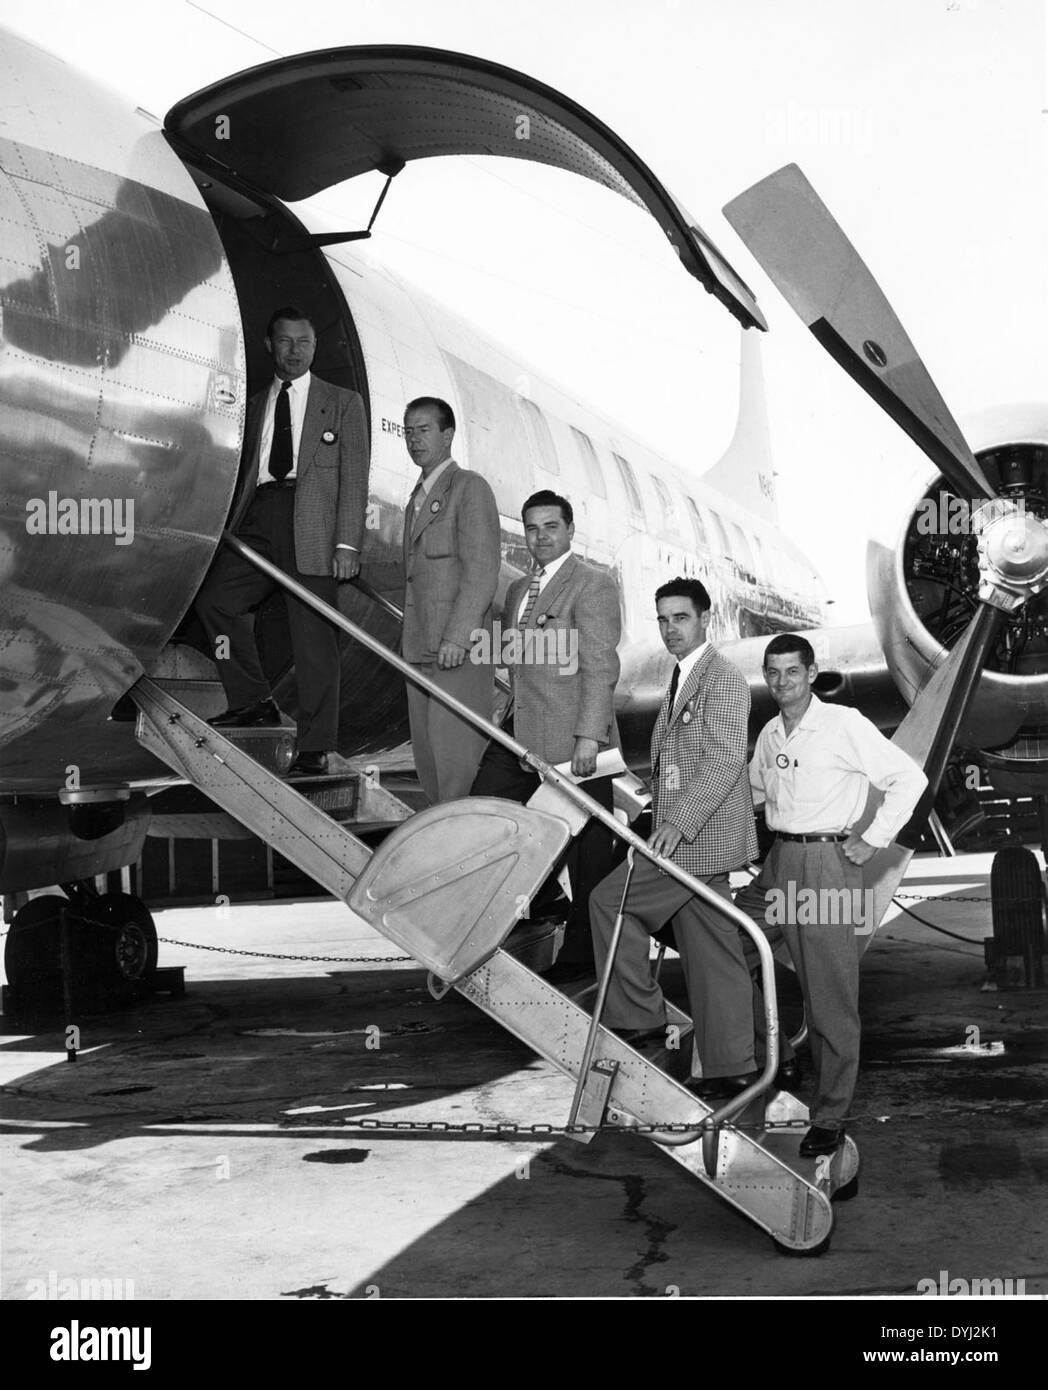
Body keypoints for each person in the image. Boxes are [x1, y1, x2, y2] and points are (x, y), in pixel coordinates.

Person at [740, 633, 927, 1157]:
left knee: (829, 998)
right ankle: (774, 1054)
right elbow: (753, 795)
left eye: (792, 671)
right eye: (772, 672)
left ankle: (829, 1116)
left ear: (811, 672)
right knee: (724, 944)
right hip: (780, 863)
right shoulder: (770, 734)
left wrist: (874, 837)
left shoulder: (843, 724)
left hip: (826, 867)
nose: (781, 682)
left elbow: (908, 779)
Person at [589, 577, 759, 1093]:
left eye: (680, 618)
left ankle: (639, 1016)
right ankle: (736, 1067)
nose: (670, 629)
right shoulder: (683, 675)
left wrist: (677, 823)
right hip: (692, 836)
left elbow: (726, 760)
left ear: (706, 619)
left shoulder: (721, 678)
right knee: (714, 955)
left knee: (609, 903)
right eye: (662, 619)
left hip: (694, 840)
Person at [197, 307, 370, 776]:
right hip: (259, 516)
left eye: (304, 342)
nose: (295, 351)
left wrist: (347, 545)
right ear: (269, 345)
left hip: (313, 523)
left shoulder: (342, 402)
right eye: (286, 341)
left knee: (313, 637)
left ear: (315, 347)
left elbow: (354, 479)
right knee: (217, 600)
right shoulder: (255, 403)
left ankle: (317, 745)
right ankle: (252, 700)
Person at [471, 491, 622, 976]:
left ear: (570, 530)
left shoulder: (592, 585)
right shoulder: (520, 590)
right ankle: (543, 897)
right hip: (519, 733)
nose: (540, 537)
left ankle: (585, 955)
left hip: (573, 738)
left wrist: (589, 736)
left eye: (551, 527)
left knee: (588, 854)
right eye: (532, 528)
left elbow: (600, 666)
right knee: (484, 813)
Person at [402, 397, 501, 803]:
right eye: (408, 431)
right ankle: (443, 830)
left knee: (456, 759)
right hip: (419, 646)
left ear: (447, 435)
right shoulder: (416, 498)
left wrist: (459, 637)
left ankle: (464, 834)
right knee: (428, 758)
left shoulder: (469, 488)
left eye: (423, 430)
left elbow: (482, 570)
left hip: (456, 648)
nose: (413, 439)